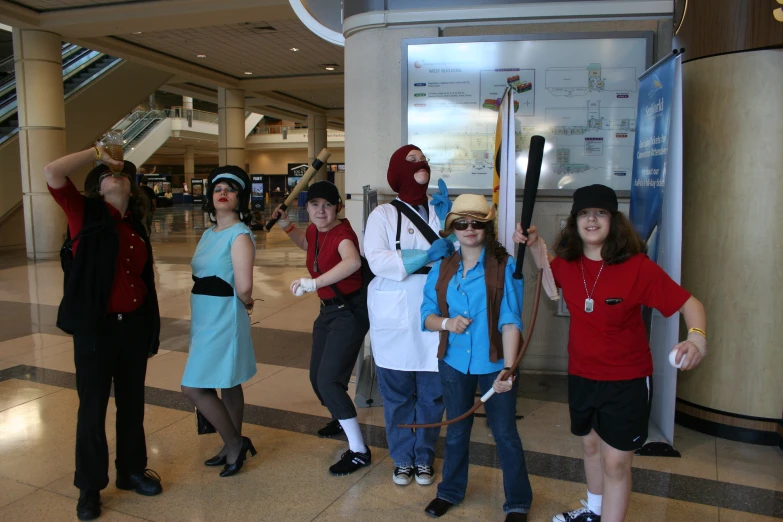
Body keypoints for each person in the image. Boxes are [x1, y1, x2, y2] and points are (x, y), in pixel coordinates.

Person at [513, 184, 707, 522]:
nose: (592, 220)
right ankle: (595, 512)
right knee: (590, 447)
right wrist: (532, 243)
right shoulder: (567, 266)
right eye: (584, 213)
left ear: (613, 220)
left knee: (616, 462)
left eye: (600, 213)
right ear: (574, 222)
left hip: (626, 381)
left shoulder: (637, 267)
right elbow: (547, 269)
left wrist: (697, 339)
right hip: (583, 375)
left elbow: (690, 304)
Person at [45, 146, 162, 521]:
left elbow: (143, 281)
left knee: (132, 405)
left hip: (133, 328)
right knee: (92, 409)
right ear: (97, 188)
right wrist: (98, 152)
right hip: (96, 330)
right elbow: (52, 171)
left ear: (132, 189)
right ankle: (90, 488)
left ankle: (130, 470)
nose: (117, 175)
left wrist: (150, 328)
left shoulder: (135, 227)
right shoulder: (86, 213)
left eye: (124, 174)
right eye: (109, 174)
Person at [420, 194, 533, 521]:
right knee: (456, 430)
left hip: (495, 365)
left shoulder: (504, 264)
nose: (469, 229)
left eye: (477, 223)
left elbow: (511, 320)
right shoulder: (443, 266)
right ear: (452, 227)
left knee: (505, 434)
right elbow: (426, 315)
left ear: (487, 226)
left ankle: (518, 502)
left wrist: (509, 370)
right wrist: (447, 323)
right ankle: (450, 492)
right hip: (454, 362)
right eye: (462, 223)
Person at [363, 145, 454, 487]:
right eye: (413, 160)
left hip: (435, 311)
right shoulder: (383, 215)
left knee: (432, 395)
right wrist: (425, 255)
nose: (422, 165)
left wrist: (450, 224)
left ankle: (425, 457)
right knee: (398, 396)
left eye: (424, 159)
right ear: (399, 170)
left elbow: (460, 254)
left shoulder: (440, 210)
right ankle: (402, 458)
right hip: (395, 313)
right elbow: (378, 260)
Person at [271, 181, 372, 476]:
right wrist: (287, 225)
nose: (321, 210)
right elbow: (307, 245)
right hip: (327, 312)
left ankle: (359, 451)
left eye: (327, 205)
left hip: (349, 313)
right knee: (317, 377)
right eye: (314, 205)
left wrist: (314, 283)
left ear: (338, 207)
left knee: (329, 381)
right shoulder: (316, 229)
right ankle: (341, 418)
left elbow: (352, 262)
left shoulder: (342, 234)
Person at [181, 166, 258, 478]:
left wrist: (247, 302)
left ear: (239, 198)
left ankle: (235, 443)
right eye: (217, 189)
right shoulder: (207, 233)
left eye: (230, 189)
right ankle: (232, 444)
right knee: (229, 380)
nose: (222, 193)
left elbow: (244, 288)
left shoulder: (239, 236)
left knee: (193, 387)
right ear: (210, 197)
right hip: (204, 314)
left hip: (225, 315)